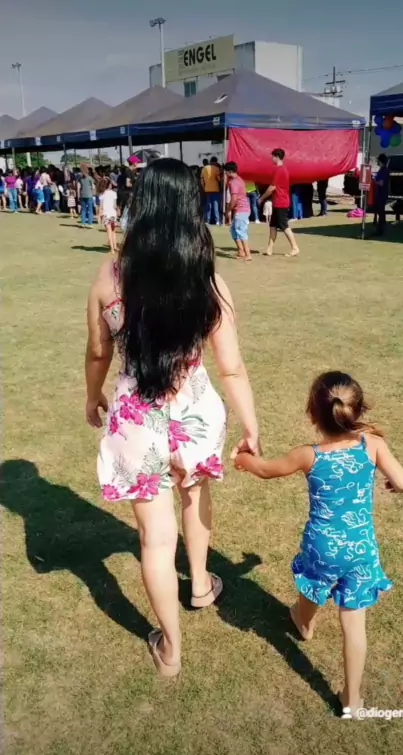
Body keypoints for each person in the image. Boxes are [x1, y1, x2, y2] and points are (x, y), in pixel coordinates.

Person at [85, 158, 259, 676]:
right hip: (196, 412)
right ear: (190, 208)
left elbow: (98, 350)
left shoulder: (111, 276)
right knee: (195, 495)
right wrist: (251, 424)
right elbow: (231, 367)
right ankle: (201, 584)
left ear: (141, 205)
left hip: (136, 419)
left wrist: (92, 395)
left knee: (155, 540)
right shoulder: (209, 282)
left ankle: (171, 650)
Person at [234, 370, 403, 718]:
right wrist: (391, 483)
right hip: (361, 550)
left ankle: (303, 621)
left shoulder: (309, 455)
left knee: (315, 582)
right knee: (354, 625)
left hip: (323, 546)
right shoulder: (373, 445)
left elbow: (266, 470)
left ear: (313, 414)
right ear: (357, 410)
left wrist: (243, 459)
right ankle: (352, 700)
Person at [259, 149, 299, 257]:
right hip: (278, 201)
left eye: (272, 156)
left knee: (284, 225)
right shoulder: (283, 169)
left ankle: (295, 247)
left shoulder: (279, 170)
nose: (271, 159)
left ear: (276, 156)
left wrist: (261, 198)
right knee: (272, 225)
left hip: (281, 202)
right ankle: (269, 249)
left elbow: (272, 187)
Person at [225, 162, 252, 261]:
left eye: (226, 172)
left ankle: (248, 254)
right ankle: (241, 251)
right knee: (233, 230)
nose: (225, 174)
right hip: (242, 209)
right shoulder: (239, 180)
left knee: (241, 231)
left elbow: (234, 199)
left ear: (230, 171)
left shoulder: (234, 182)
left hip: (241, 210)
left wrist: (228, 209)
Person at [201, 156, 222, 226]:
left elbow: (202, 180)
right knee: (216, 206)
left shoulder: (204, 168)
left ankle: (207, 220)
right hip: (215, 190)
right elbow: (219, 179)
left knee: (208, 206)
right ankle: (217, 220)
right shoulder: (216, 168)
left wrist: (204, 188)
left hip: (207, 190)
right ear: (215, 161)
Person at [372, 154, 390, 237]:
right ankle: (380, 228)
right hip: (379, 193)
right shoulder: (381, 170)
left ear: (380, 161)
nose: (377, 162)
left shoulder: (384, 170)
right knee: (379, 211)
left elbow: (381, 183)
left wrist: (374, 181)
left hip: (382, 194)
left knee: (381, 212)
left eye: (378, 161)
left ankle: (381, 229)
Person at [101, 177, 118, 254]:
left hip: (106, 214)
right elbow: (115, 205)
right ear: (110, 185)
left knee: (109, 231)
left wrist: (99, 215)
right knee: (113, 231)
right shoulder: (114, 193)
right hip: (113, 214)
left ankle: (112, 249)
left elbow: (101, 206)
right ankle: (115, 246)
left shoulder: (102, 194)